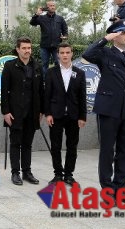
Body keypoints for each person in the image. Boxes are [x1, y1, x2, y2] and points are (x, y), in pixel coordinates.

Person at [82, 20, 125, 205]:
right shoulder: (105, 53)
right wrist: (105, 38)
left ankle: (120, 188)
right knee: (108, 151)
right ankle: (107, 190)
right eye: (123, 32)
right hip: (109, 110)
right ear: (115, 36)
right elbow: (87, 54)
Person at [1, 37, 43, 186]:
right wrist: (5, 112)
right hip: (15, 112)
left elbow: (40, 91)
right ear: (18, 49)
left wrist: (41, 111)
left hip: (32, 113)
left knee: (27, 144)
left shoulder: (37, 66)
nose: (27, 51)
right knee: (15, 143)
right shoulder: (10, 66)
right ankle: (15, 173)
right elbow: (4, 91)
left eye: (29, 48)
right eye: (24, 48)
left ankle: (27, 172)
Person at [43, 43, 86, 186]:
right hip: (55, 115)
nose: (65, 55)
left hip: (73, 116)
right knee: (55, 146)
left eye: (68, 52)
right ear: (58, 54)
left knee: (72, 146)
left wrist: (82, 116)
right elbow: (46, 95)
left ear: (72, 53)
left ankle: (69, 175)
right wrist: (48, 114)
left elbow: (82, 97)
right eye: (62, 53)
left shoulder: (80, 73)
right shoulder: (50, 72)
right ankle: (57, 174)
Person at [30, 0, 68, 76]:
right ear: (47, 7)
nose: (52, 7)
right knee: (44, 64)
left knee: (58, 63)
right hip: (44, 46)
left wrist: (65, 36)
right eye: (50, 6)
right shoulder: (41, 18)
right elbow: (32, 23)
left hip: (57, 45)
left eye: (53, 5)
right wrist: (37, 14)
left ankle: (58, 80)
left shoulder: (60, 18)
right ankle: (45, 82)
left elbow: (65, 30)